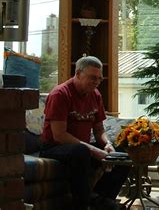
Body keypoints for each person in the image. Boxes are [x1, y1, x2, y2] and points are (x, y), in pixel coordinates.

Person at [40, 56, 129, 210]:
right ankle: (83, 203)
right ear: (78, 74)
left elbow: (99, 129)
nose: (97, 82)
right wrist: (94, 150)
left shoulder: (96, 95)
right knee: (81, 151)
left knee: (122, 153)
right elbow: (59, 135)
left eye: (99, 79)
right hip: (54, 148)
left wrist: (106, 144)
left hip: (81, 149)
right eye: (92, 78)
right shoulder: (60, 94)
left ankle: (102, 199)